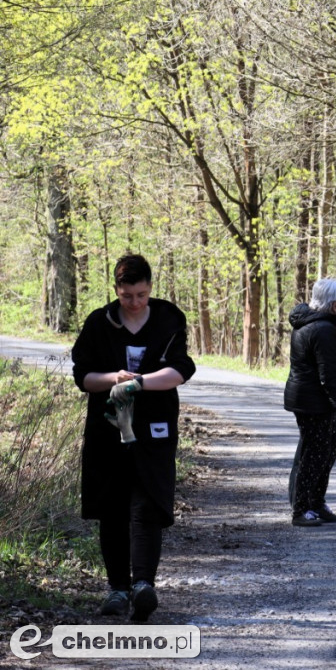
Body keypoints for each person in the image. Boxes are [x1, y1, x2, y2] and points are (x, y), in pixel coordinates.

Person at [71, 254, 196, 622]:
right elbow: (84, 378)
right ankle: (117, 590)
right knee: (112, 508)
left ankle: (143, 586)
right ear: (116, 290)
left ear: (151, 288)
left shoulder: (168, 319)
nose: (135, 302)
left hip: (155, 428)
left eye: (141, 294)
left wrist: (140, 383)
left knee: (147, 505)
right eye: (127, 295)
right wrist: (114, 379)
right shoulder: (99, 323)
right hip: (107, 428)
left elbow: (180, 370)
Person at [284, 278, 336, 527]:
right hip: (313, 402)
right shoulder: (322, 329)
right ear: (335, 304)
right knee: (315, 454)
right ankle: (301, 509)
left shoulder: (313, 324)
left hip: (314, 400)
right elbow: (329, 376)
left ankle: (316, 502)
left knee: (328, 449)